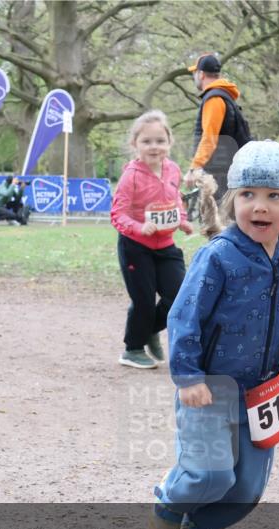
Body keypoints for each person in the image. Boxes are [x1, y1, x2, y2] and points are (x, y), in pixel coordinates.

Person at [148, 140, 279, 529]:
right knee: (210, 473)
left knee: (247, 488)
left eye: (274, 196)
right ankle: (171, 502)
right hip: (210, 385)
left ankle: (200, 527)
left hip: (263, 391)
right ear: (232, 200)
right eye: (248, 195)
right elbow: (184, 317)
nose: (259, 207)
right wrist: (188, 376)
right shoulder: (218, 257)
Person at [110, 110, 193, 370]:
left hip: (166, 246)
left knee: (180, 297)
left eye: (160, 140)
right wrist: (138, 227)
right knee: (144, 301)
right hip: (136, 248)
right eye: (147, 141)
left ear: (169, 142)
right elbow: (117, 214)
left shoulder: (173, 170)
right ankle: (132, 349)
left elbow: (175, 200)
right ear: (135, 144)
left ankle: (148, 331)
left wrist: (181, 219)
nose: (154, 147)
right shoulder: (130, 176)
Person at [183, 53, 251, 199]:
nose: (194, 76)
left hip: (220, 175)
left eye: (195, 73)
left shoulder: (214, 99)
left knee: (218, 219)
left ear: (201, 74)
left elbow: (210, 138)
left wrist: (195, 167)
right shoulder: (224, 97)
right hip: (228, 172)